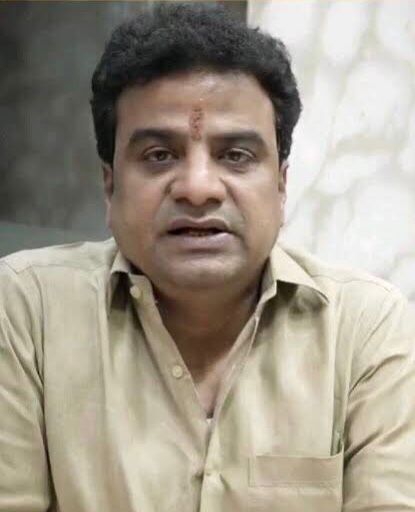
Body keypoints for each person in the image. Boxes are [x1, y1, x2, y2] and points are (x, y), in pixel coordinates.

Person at [1, 3, 414, 511]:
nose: (198, 188)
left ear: (281, 185)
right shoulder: (27, 313)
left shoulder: (365, 331)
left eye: (236, 156)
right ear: (109, 186)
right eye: (159, 155)